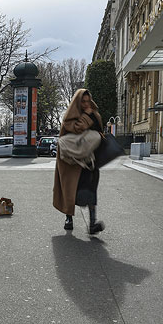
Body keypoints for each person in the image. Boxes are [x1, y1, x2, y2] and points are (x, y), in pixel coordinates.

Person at [53, 89, 105, 234]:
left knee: (91, 191)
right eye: (83, 101)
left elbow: (99, 130)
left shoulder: (94, 114)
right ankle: (68, 218)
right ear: (77, 102)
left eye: (88, 101)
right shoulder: (70, 118)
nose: (86, 104)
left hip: (90, 160)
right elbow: (76, 129)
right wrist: (86, 116)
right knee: (70, 190)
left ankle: (93, 223)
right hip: (72, 162)